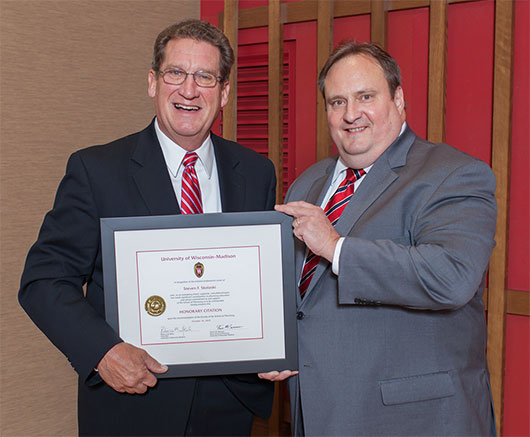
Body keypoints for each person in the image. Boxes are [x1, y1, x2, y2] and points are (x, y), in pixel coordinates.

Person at [19, 19, 276, 436]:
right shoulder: (96, 170)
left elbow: (259, 283)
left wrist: (273, 340)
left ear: (224, 91)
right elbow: (44, 281)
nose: (189, 90)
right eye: (175, 73)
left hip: (228, 407)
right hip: (133, 404)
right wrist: (103, 352)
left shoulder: (256, 172)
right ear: (153, 82)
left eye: (205, 77)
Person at [260, 41, 497, 436]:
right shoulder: (308, 182)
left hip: (410, 420)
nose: (351, 114)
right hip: (318, 412)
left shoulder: (453, 174)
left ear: (399, 98)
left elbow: (451, 277)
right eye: (337, 102)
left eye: (365, 97)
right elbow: (301, 297)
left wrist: (335, 247)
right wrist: (274, 344)